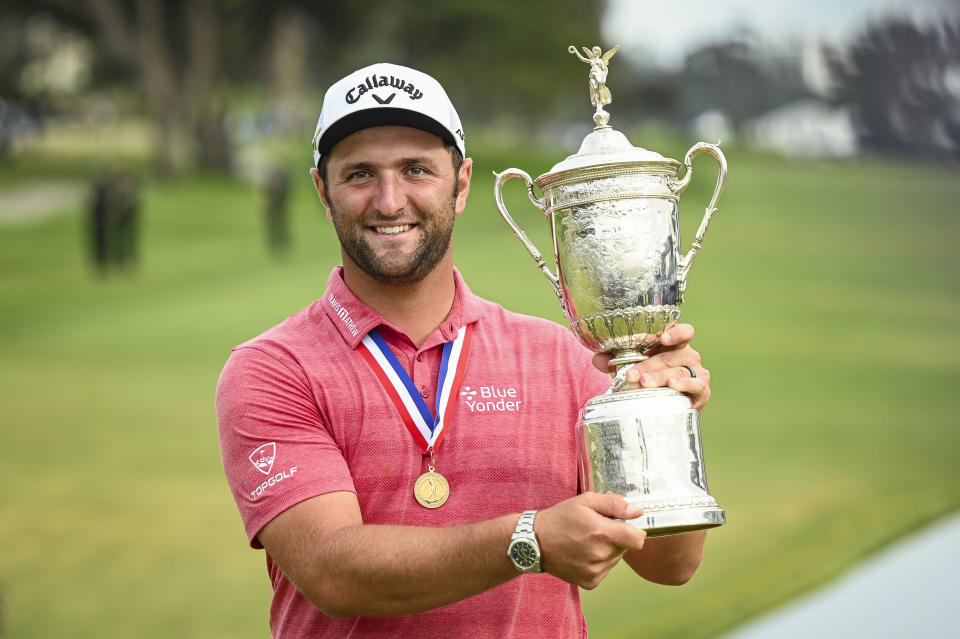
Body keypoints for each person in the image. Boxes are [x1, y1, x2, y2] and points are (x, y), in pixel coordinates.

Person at [216, 62, 713, 639]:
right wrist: (528, 540)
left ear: (463, 183)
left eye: (416, 169)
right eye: (359, 175)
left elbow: (671, 565)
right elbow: (333, 571)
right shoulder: (273, 369)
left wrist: (665, 420)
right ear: (322, 192)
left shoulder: (560, 356)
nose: (388, 200)